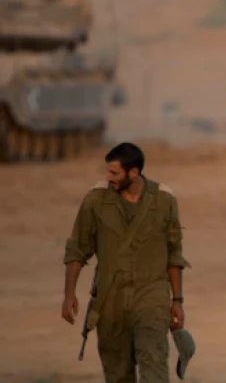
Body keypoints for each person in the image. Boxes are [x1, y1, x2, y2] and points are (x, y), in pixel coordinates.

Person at [61, 142, 194, 382]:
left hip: (151, 294)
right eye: (108, 172)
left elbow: (174, 253)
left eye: (115, 173)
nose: (108, 177)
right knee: (117, 374)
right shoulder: (96, 200)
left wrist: (177, 301)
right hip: (110, 299)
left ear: (134, 172)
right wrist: (69, 294)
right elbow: (77, 249)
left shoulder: (164, 200)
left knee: (154, 368)